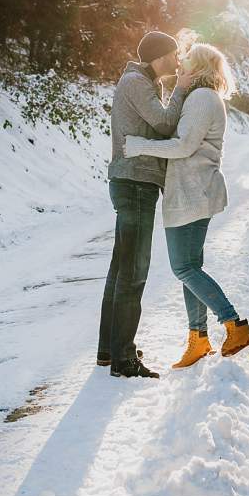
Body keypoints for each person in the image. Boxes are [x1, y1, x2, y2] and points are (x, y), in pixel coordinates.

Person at [124, 42, 249, 370]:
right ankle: (199, 339)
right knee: (190, 268)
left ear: (197, 69)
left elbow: (183, 146)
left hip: (192, 193)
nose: (179, 65)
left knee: (183, 267)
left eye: (186, 62)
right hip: (191, 192)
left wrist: (139, 146)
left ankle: (235, 326)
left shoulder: (201, 98)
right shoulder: (203, 97)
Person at [99, 30, 193, 379]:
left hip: (133, 182)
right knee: (134, 272)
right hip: (135, 184)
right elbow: (166, 123)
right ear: (159, 56)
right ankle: (123, 359)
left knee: (121, 270)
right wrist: (182, 87)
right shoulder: (137, 83)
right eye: (173, 54)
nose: (178, 60)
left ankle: (109, 350)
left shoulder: (142, 82)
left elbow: (158, 126)